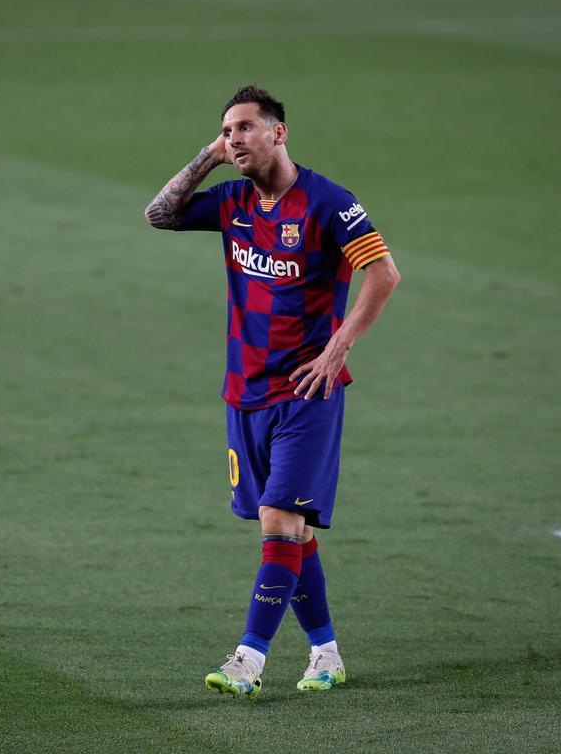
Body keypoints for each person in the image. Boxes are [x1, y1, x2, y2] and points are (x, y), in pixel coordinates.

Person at [144, 85, 401, 698]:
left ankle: (248, 659)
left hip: (307, 391)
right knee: (294, 532)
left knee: (280, 522)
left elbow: (384, 272)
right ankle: (327, 653)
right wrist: (209, 155)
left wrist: (337, 348)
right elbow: (159, 214)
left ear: (279, 133)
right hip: (243, 393)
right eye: (227, 130)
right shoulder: (233, 202)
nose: (235, 139)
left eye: (246, 128)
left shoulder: (327, 201)